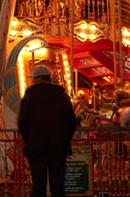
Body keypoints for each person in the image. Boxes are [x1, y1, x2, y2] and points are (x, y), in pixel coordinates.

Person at [18, 65, 77, 197]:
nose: (32, 81)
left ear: (38, 78)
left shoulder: (28, 98)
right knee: (58, 186)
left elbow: (22, 123)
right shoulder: (63, 97)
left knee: (38, 185)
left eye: (34, 79)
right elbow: (71, 123)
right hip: (58, 147)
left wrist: (29, 140)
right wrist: (64, 140)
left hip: (36, 147)